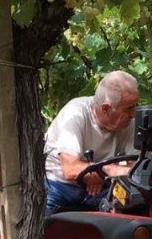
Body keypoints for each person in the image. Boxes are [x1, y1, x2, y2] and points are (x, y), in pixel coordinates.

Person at [44, 71, 139, 214]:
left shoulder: (129, 121)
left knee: (135, 209)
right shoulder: (75, 113)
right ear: (106, 108)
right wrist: (105, 170)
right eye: (129, 107)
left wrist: (100, 173)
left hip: (99, 187)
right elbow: (69, 169)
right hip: (59, 185)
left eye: (135, 105)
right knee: (42, 228)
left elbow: (136, 170)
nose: (134, 113)